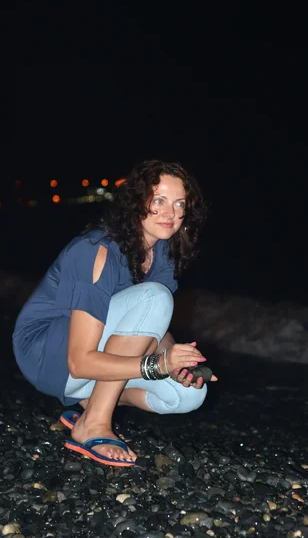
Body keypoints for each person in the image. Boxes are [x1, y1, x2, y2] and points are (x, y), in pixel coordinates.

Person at [12, 159, 218, 467]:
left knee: (187, 396)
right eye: (158, 200)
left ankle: (93, 402)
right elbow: (79, 361)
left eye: (179, 205)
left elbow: (151, 329)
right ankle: (93, 422)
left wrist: (177, 361)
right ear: (136, 201)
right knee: (155, 297)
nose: (170, 214)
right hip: (48, 354)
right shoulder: (97, 250)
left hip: (85, 367)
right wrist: (158, 364)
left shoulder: (161, 253)